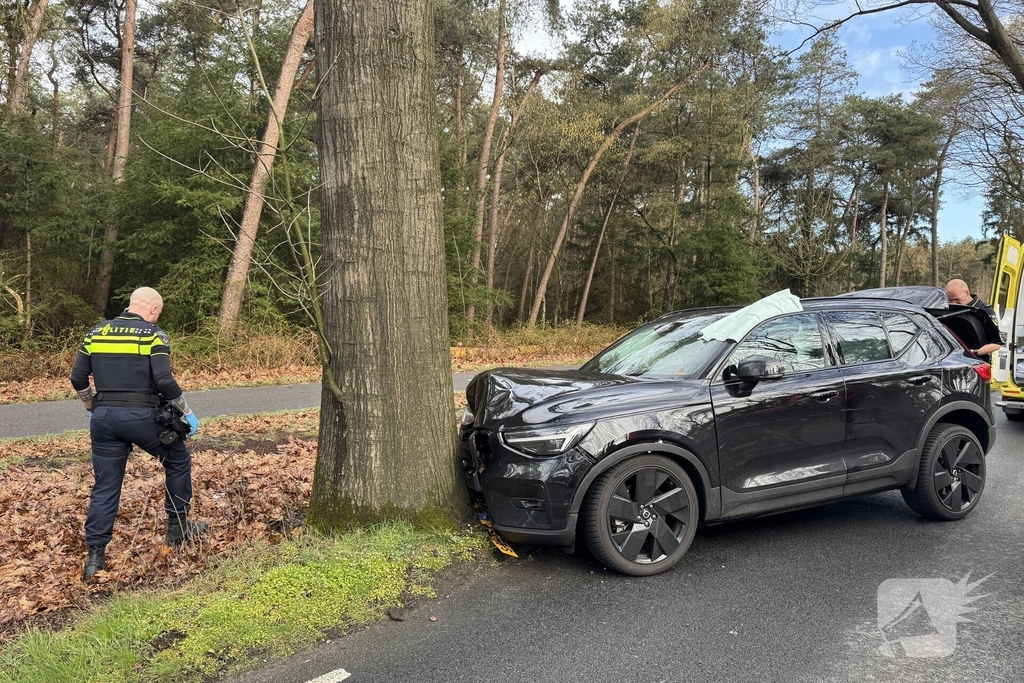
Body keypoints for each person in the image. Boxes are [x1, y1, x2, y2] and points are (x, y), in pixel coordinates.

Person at [70, 287, 207, 582]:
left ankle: (95, 557)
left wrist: (91, 406)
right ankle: (178, 528)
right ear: (154, 310)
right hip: (142, 417)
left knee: (106, 485)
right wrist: (187, 412)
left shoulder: (96, 333)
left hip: (104, 420)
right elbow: (163, 380)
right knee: (177, 459)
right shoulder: (153, 335)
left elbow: (78, 377)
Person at [945, 278, 1002, 361]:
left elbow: (997, 344)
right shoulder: (946, 309)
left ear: (967, 293)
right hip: (952, 360)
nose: (953, 303)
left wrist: (975, 352)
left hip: (976, 361)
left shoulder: (983, 310)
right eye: (950, 300)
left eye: (957, 300)